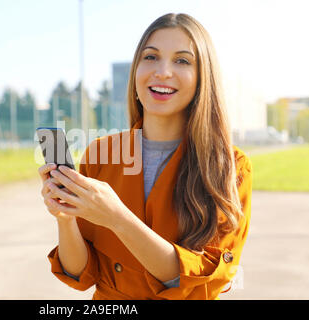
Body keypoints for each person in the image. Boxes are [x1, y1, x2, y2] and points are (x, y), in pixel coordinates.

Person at [38, 13, 252, 300]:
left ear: (203, 77)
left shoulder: (229, 167)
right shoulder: (101, 155)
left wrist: (117, 218)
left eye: (182, 61)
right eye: (150, 57)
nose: (162, 71)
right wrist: (65, 219)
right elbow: (81, 273)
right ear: (136, 70)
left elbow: (203, 282)